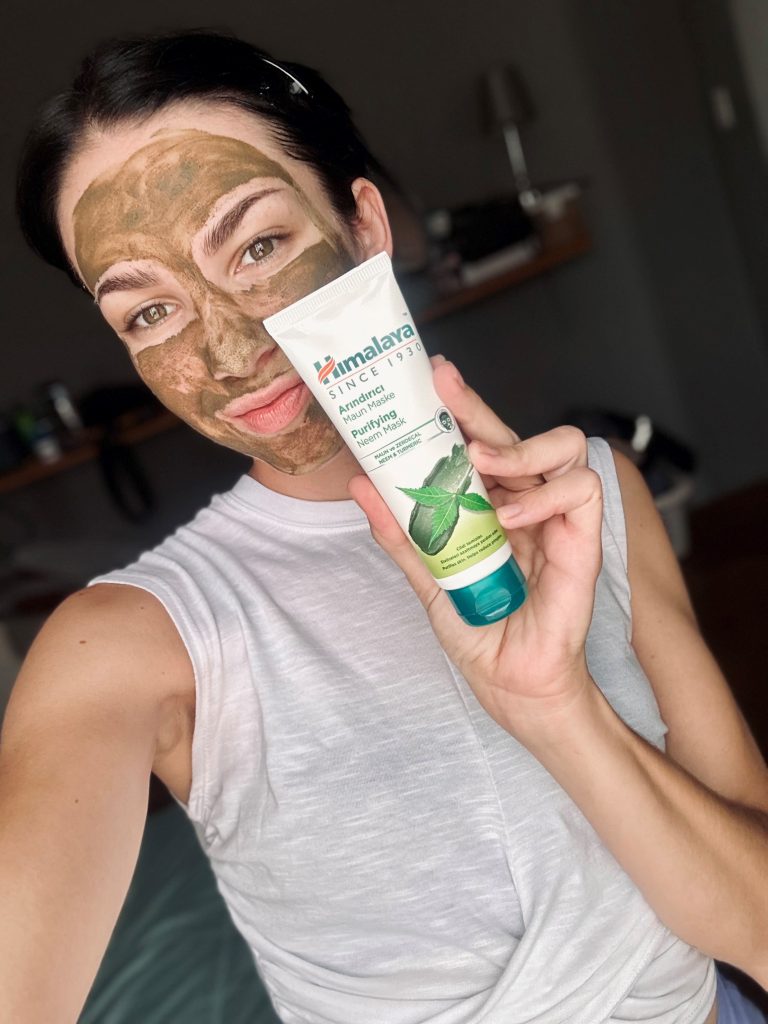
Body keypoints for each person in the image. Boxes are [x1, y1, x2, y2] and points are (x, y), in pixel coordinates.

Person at [6, 29, 768, 1024]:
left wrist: (559, 709)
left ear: (365, 225)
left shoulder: (588, 492)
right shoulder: (128, 643)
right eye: (148, 313)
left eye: (260, 246)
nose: (229, 351)